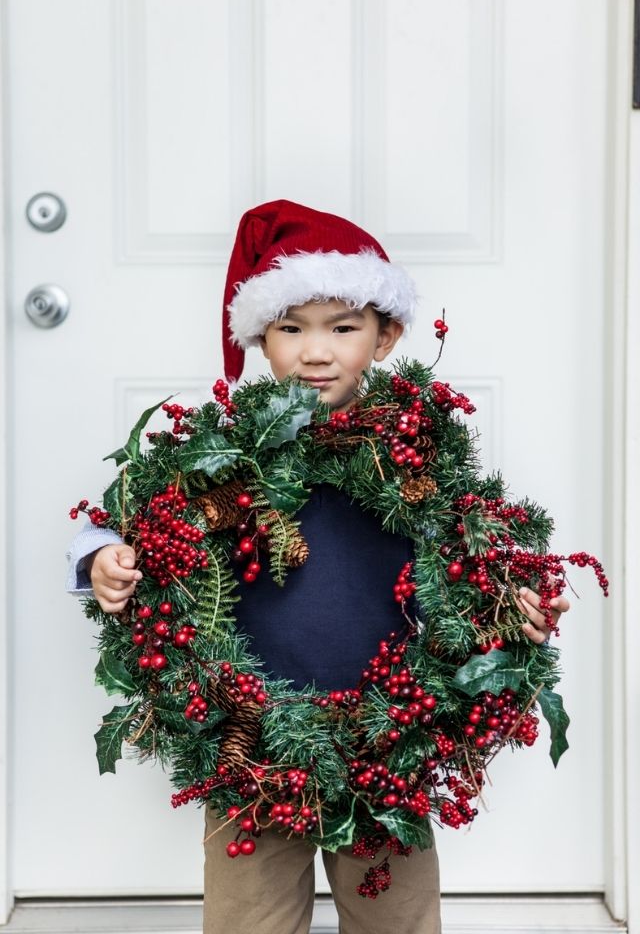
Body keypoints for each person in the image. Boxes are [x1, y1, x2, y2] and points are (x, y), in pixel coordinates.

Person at [67, 199, 568, 934]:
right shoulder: (221, 453)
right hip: (251, 740)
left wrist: (515, 602)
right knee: (248, 918)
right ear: (260, 338)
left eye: (342, 328)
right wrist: (102, 559)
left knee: (399, 917)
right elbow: (124, 520)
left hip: (389, 738)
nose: (316, 352)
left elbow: (480, 556)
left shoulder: (414, 454)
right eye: (291, 328)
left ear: (385, 335)